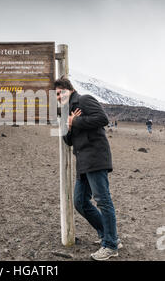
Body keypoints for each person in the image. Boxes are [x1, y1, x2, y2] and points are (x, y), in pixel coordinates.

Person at [55, 77, 121, 261]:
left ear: (69, 89)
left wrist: (76, 122)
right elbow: (68, 141)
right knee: (80, 202)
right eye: (56, 95)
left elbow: (102, 118)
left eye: (60, 92)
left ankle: (110, 245)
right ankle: (110, 236)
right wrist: (68, 125)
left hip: (96, 158)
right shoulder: (67, 111)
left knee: (103, 201)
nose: (59, 97)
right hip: (83, 162)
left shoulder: (84, 100)